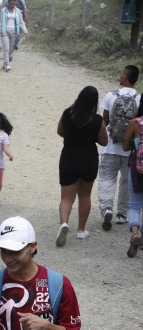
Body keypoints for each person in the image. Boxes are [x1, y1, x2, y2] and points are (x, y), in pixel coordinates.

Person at [56, 87, 107, 245]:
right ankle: (81, 230)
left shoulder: (67, 114)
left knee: (66, 197)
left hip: (69, 156)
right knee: (84, 196)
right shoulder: (97, 120)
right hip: (88, 158)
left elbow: (60, 132)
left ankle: (64, 223)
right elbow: (103, 142)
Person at [98, 65, 140, 230]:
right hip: (130, 149)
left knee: (107, 178)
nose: (120, 75)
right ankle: (122, 214)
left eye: (122, 73)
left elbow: (105, 121)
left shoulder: (111, 95)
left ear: (126, 78)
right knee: (126, 181)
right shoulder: (139, 98)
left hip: (111, 146)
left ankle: (107, 207)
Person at [122, 102, 143, 257]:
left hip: (137, 170)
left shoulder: (136, 123)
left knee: (134, 206)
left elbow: (125, 147)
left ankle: (135, 234)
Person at [0, 0, 26, 72]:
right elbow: (0, 21)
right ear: (8, 3)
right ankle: (7, 64)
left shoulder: (17, 11)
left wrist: (25, 30)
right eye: (11, 4)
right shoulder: (3, 10)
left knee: (11, 49)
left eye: (14, 4)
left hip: (14, 32)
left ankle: (5, 63)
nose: (13, 6)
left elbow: (21, 21)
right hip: (5, 32)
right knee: (6, 48)